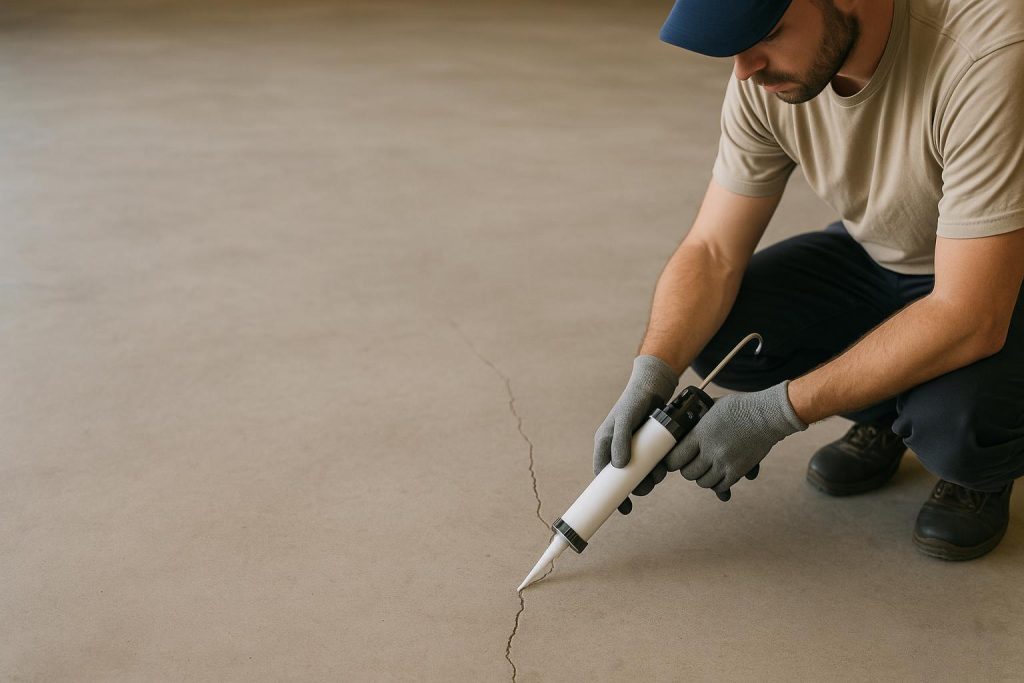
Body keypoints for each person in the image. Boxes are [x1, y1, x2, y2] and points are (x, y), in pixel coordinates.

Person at [593, 0, 1024, 560]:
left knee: (955, 426)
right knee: (726, 333)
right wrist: (650, 374)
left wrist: (775, 413)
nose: (744, 68)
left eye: (766, 33)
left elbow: (971, 315)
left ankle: (978, 468)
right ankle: (888, 416)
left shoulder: (987, 53)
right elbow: (712, 248)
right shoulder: (760, 73)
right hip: (885, 252)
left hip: (1000, 278)